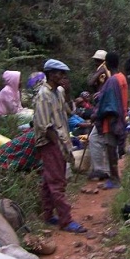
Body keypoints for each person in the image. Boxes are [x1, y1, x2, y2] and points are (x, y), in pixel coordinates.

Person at [33, 59, 86, 233]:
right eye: (59, 73)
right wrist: (57, 144)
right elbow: (43, 124)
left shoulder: (58, 92)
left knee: (49, 181)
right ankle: (65, 220)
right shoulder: (43, 95)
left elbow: (68, 111)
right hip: (50, 142)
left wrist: (68, 91)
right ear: (50, 74)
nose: (62, 76)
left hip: (59, 140)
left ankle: (48, 215)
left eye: (63, 74)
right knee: (57, 181)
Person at [93, 52, 128, 189]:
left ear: (106, 63)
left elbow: (108, 102)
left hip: (111, 119)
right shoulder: (122, 78)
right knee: (112, 149)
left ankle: (115, 179)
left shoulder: (112, 80)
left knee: (111, 150)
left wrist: (98, 114)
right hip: (121, 115)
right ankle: (114, 178)